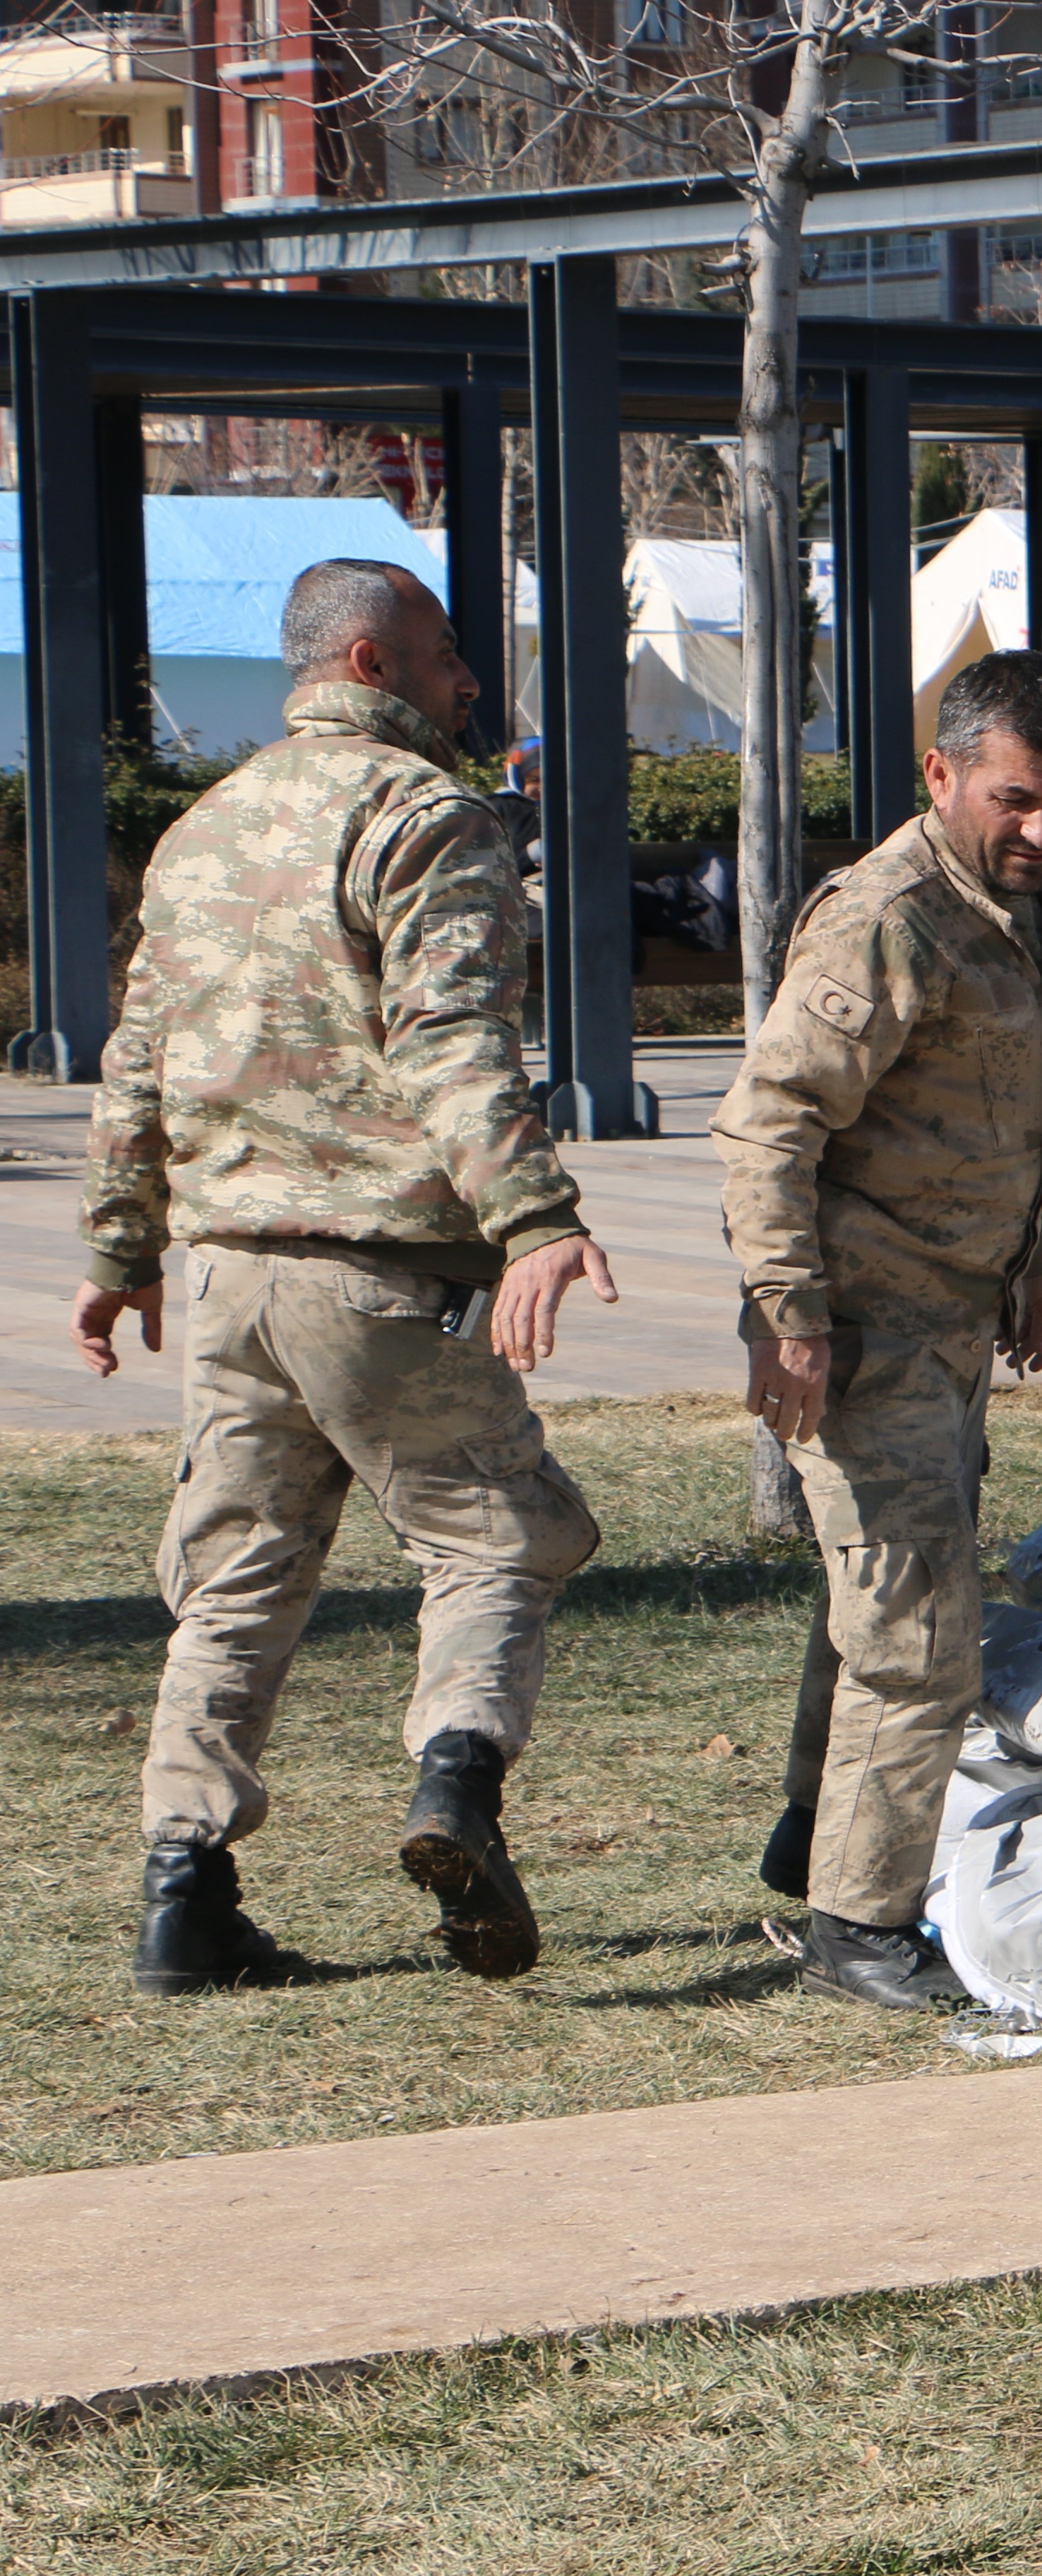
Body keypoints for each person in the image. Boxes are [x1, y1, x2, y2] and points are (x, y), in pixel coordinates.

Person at [75, 559, 618, 1996]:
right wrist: (533, 1216)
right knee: (496, 1536)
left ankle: (183, 1894)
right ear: (370, 662)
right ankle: (456, 1786)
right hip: (386, 1274)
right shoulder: (426, 819)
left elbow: (138, 1057)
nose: (470, 682)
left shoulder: (203, 826)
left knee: (235, 1577)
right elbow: (454, 1037)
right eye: (447, 654)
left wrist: (120, 1247)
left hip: (230, 1276)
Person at [711, 650, 1042, 2010]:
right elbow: (769, 1127)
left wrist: (1040, 1256)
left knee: (877, 1602)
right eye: (1014, 799)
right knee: (918, 1627)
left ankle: (814, 1840)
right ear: (942, 774)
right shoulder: (888, 919)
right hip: (863, 1328)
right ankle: (857, 1928)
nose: (1041, 828)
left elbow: (1025, 1114)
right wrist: (788, 1317)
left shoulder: (1037, 911)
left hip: (956, 1321)